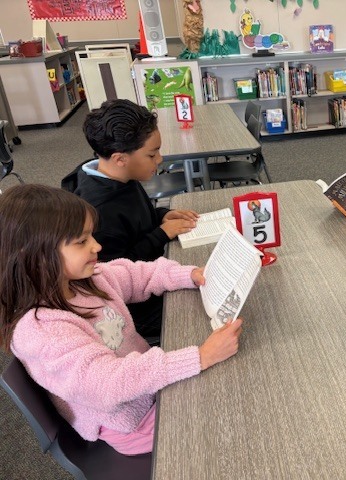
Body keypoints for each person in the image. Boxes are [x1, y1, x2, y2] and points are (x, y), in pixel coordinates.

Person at [0, 184, 243, 455]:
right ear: (33, 255)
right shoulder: (40, 330)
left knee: (233, 384)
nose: (97, 246)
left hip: (147, 387)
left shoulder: (81, 280)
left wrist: (189, 275)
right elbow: (108, 383)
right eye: (82, 242)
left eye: (91, 235)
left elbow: (134, 275)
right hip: (133, 423)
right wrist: (200, 357)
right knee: (233, 419)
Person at [75, 99, 198, 337]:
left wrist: (161, 216)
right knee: (201, 303)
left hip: (150, 273)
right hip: (134, 309)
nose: (160, 160)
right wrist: (162, 234)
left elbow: (136, 220)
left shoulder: (115, 174)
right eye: (152, 154)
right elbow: (116, 273)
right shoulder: (98, 212)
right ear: (121, 158)